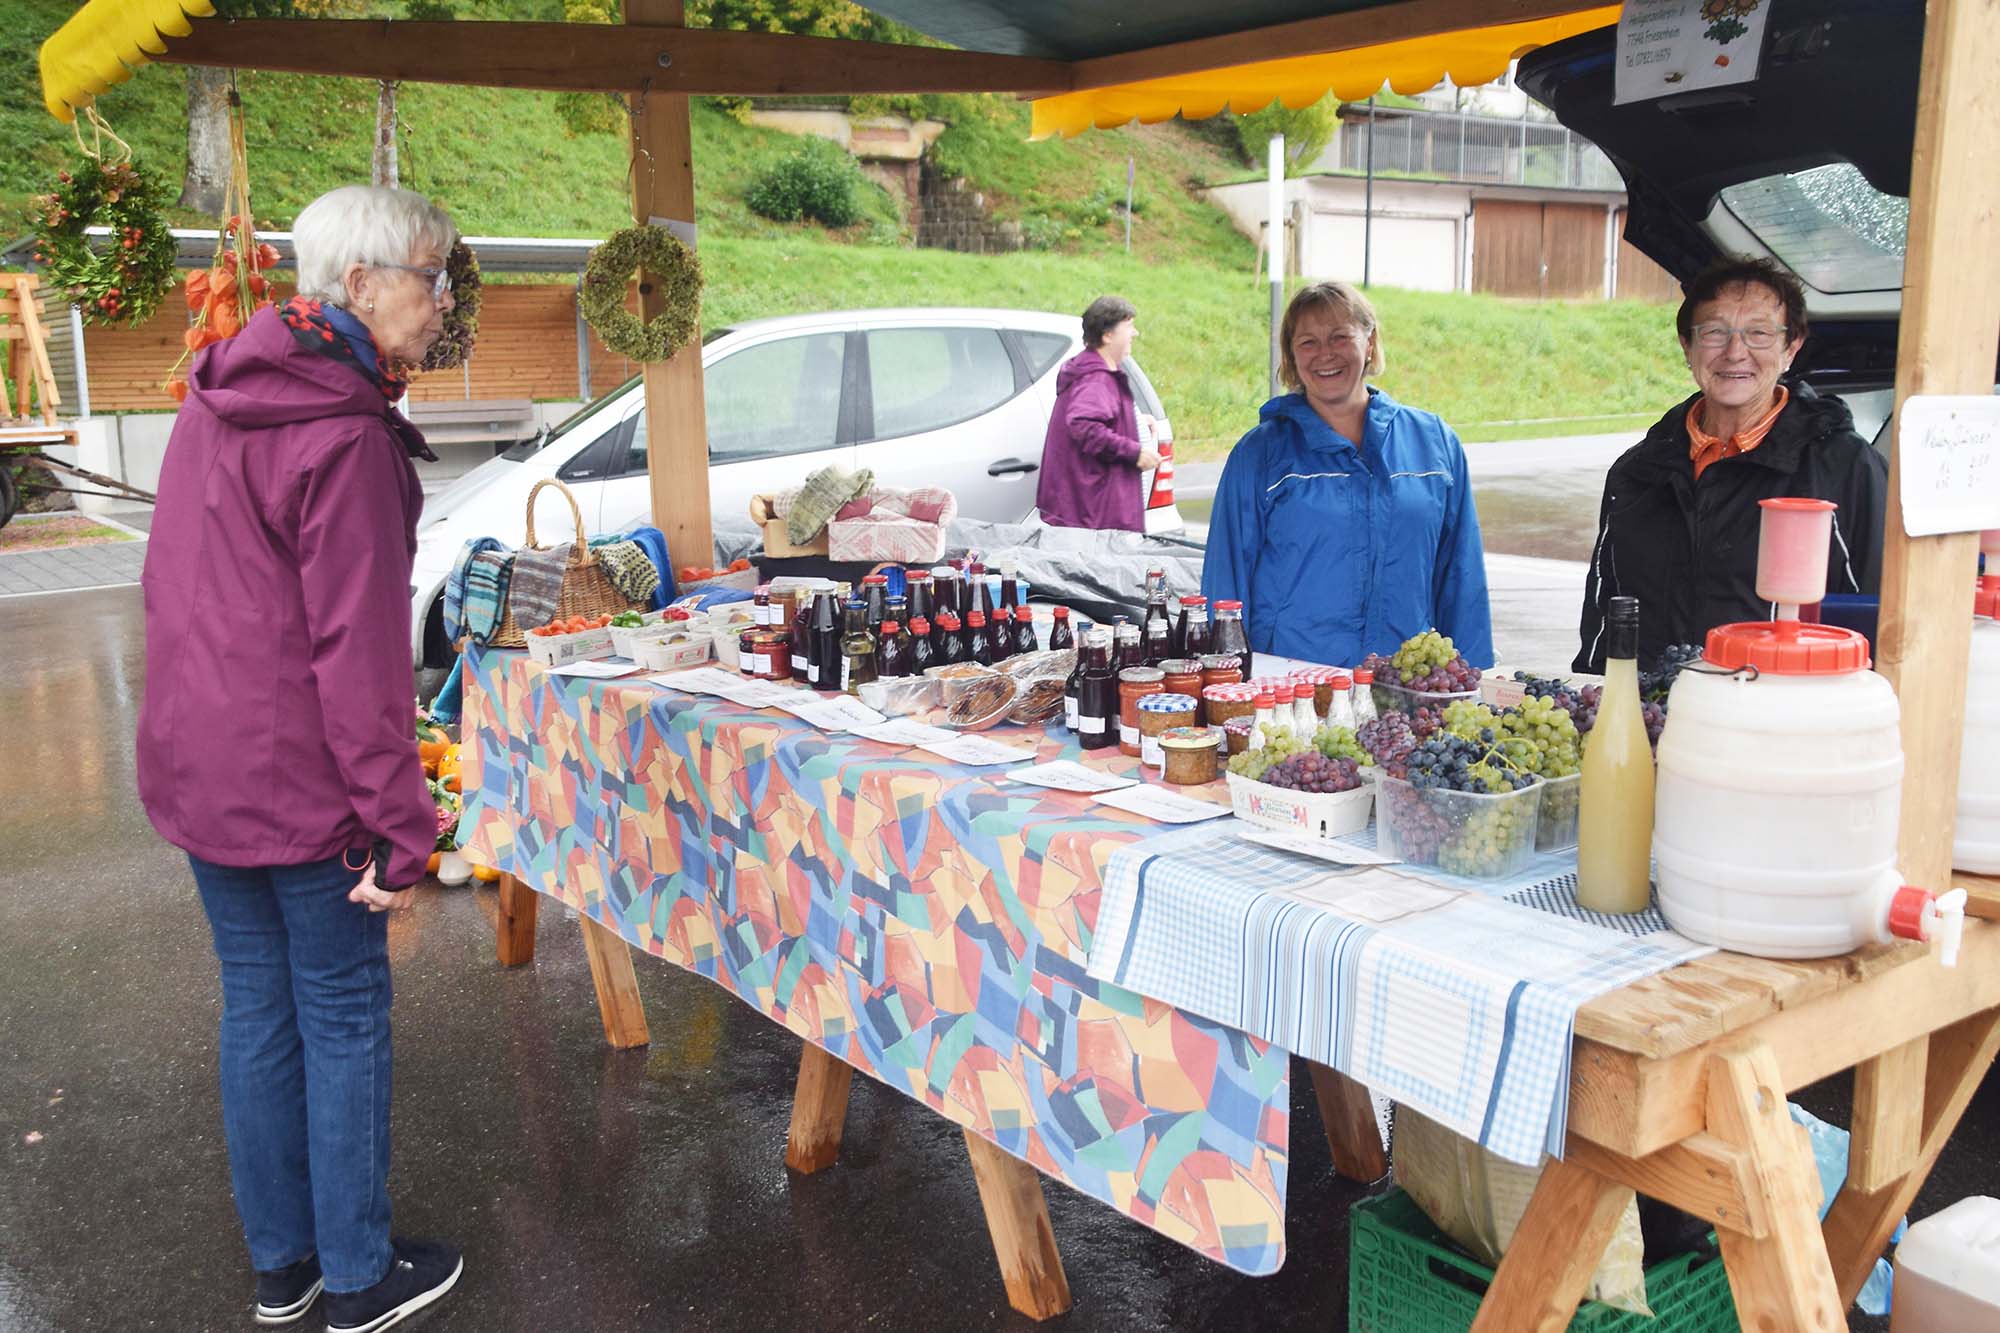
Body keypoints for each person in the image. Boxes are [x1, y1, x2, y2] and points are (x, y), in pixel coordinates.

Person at [136, 185, 465, 1332]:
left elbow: (176, 590)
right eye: (432, 280)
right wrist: (402, 821)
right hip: (301, 783)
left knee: (259, 1012)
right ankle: (360, 1277)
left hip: (199, 764)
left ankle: (286, 1269)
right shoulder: (346, 434)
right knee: (337, 1014)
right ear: (365, 286)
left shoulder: (217, 392)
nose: (442, 303)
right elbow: (360, 658)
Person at [1574, 256, 1887, 672]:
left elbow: (1876, 618)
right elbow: (1605, 612)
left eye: (1759, 333)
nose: (1735, 352)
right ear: (1688, 347)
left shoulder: (1843, 467)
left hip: (1779, 718)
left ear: (1790, 348)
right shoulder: (1638, 472)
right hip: (1652, 716)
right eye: (1715, 333)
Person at [1202, 280, 1493, 667]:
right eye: (1308, 342)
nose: (1325, 354)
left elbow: (1461, 574)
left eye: (1340, 337)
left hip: (1405, 682)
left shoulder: (1434, 443)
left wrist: (1471, 679)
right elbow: (1226, 579)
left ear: (1369, 342)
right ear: (1291, 354)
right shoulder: (1260, 454)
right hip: (1293, 684)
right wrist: (1225, 684)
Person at [1034, 295, 1161, 532]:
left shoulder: (1090, 371)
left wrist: (1131, 422)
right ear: (1107, 335)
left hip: (1086, 510)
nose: (1135, 334)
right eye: (1129, 326)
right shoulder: (1096, 378)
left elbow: (1095, 415)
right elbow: (1084, 425)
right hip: (1093, 515)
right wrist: (1134, 452)